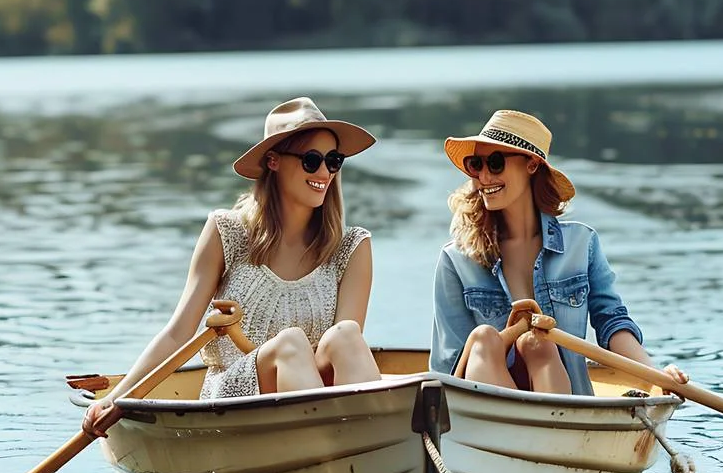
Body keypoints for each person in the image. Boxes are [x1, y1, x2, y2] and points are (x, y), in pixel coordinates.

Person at [84, 97, 381, 436]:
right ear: (273, 161)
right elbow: (179, 333)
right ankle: (335, 455)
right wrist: (121, 396)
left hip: (313, 394)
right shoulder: (228, 232)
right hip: (233, 400)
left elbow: (340, 354)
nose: (325, 173)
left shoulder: (350, 247)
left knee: (345, 336)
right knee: (291, 345)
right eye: (311, 160)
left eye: (334, 161)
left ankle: (371, 450)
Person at [430, 109, 688, 395]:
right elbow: (450, 364)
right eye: (475, 165)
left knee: (538, 344)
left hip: (562, 404)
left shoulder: (581, 244)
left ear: (531, 165)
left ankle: (547, 429)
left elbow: (612, 321)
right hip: (483, 406)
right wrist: (514, 330)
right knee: (483, 338)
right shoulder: (456, 259)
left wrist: (655, 375)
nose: (484, 177)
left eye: (495, 163)